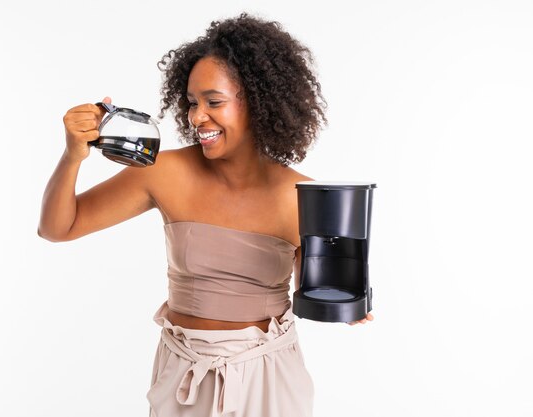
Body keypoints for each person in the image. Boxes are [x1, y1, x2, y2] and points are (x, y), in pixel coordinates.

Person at [38, 12, 373, 417]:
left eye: (214, 102)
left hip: (266, 379)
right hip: (183, 377)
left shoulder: (299, 196)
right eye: (193, 103)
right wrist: (73, 156)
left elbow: (317, 290)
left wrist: (348, 299)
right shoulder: (165, 173)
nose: (197, 117)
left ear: (259, 101)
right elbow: (58, 228)